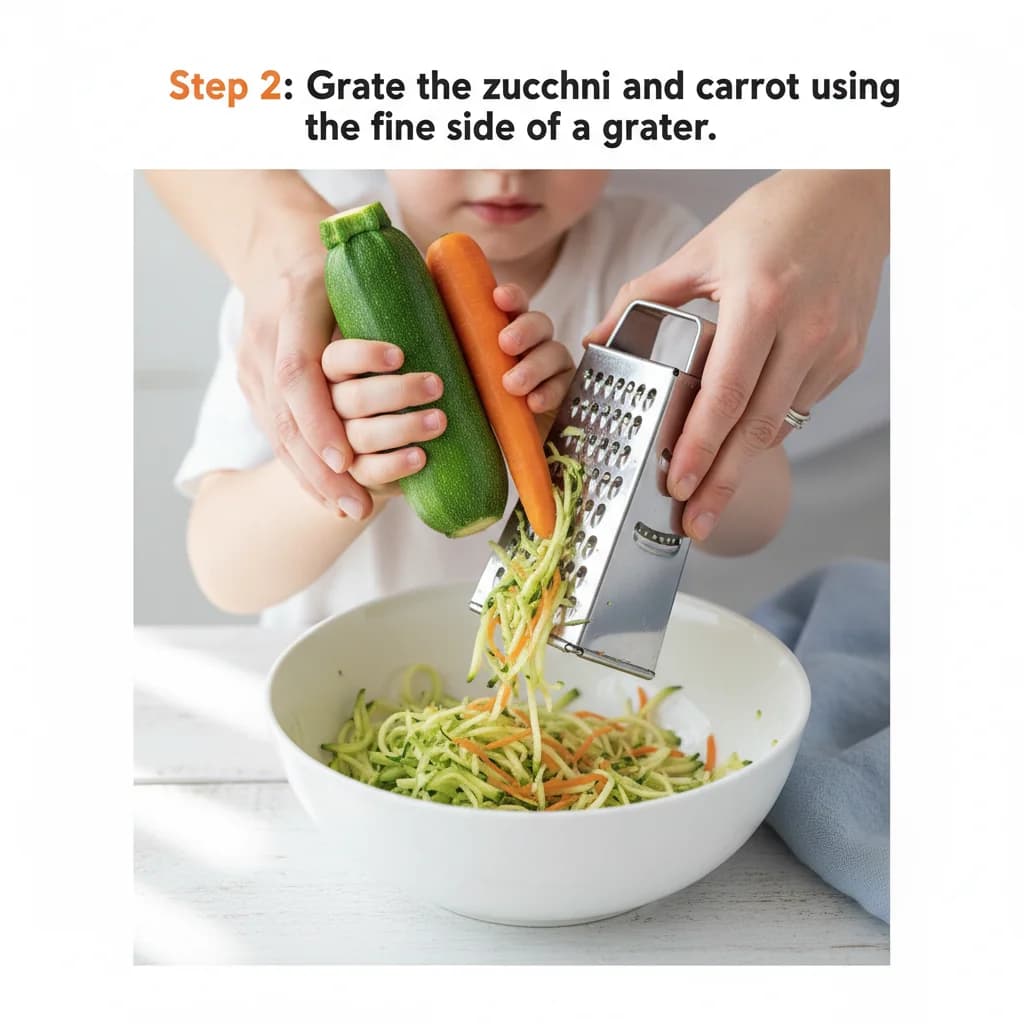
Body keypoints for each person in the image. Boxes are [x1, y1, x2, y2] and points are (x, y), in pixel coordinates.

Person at [152, 170, 792, 624]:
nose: (507, 168)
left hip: (583, 705)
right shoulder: (303, 288)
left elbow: (754, 524)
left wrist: (601, 434)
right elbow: (224, 572)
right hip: (356, 693)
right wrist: (352, 476)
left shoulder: (663, 255)